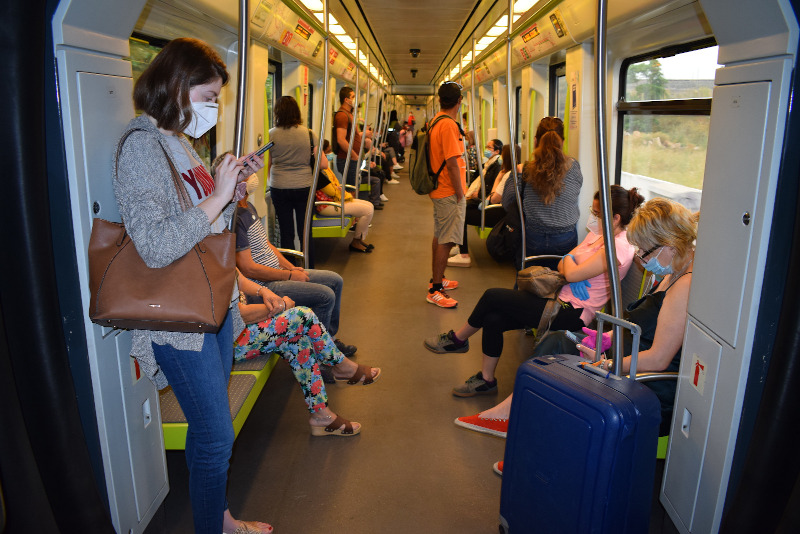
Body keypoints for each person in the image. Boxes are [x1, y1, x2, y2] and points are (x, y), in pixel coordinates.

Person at [113, 37, 271, 534]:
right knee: (215, 435)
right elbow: (155, 245)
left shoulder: (179, 143)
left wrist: (230, 189)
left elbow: (204, 222)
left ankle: (219, 517)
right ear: (177, 88)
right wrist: (218, 195)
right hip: (180, 319)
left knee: (213, 429)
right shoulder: (142, 147)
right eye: (208, 97)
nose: (213, 108)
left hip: (213, 304)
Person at [455, 197, 697, 442]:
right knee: (559, 341)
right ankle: (518, 421)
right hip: (626, 357)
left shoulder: (684, 286)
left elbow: (658, 359)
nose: (641, 260)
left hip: (645, 382)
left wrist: (606, 364)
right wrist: (608, 337)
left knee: (557, 348)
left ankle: (519, 423)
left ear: (670, 245)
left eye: (644, 252)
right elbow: (645, 326)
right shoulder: (673, 272)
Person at [425, 186, 645, 397]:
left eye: (597, 213)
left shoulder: (618, 248)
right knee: (493, 319)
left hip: (572, 312)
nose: (593, 217)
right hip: (558, 298)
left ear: (615, 218)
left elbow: (570, 274)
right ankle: (486, 380)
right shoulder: (597, 236)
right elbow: (564, 263)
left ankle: (459, 339)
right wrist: (570, 263)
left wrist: (571, 267)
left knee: (492, 296)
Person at [234, 272, 380, 436]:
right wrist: (281, 306)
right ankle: (341, 365)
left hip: (241, 330)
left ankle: (321, 415)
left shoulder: (216, 250)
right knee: (302, 315)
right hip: (228, 342)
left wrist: (263, 291)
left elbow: (237, 276)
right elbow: (238, 316)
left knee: (299, 340)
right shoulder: (204, 261)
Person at [232, 174, 359, 360]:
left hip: (279, 274)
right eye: (245, 174)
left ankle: (328, 340)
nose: (252, 177)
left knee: (335, 280)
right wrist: (288, 277)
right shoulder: (235, 218)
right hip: (264, 283)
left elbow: (268, 245)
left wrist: (292, 269)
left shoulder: (248, 206)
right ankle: (320, 356)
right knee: (325, 295)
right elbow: (248, 268)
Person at [503, 116, 583, 263]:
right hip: (565, 236)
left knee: (528, 279)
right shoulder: (574, 167)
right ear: (563, 142)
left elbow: (507, 202)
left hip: (533, 235)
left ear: (535, 140)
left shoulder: (525, 170)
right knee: (560, 281)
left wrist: (516, 175)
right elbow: (574, 194)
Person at [426, 81, 467, 308]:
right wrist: (461, 193)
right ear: (459, 101)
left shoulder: (435, 121)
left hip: (439, 188)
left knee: (440, 235)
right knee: (447, 239)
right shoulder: (449, 125)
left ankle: (438, 279)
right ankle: (435, 290)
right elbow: (452, 163)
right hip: (449, 190)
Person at [449, 140, 509, 268]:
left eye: (489, 147)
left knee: (461, 213)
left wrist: (497, 179)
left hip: (496, 211)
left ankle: (463, 254)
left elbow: (493, 198)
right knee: (461, 207)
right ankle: (459, 246)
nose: (486, 150)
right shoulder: (492, 167)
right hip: (494, 207)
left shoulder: (503, 174)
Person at [268, 95, 317, 250]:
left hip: (279, 186)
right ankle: (309, 265)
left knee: (285, 230)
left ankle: (290, 269)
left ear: (277, 113)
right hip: (304, 185)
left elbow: (267, 164)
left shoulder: (271, 134)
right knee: (305, 230)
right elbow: (322, 163)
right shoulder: (309, 134)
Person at [315, 140, 375, 252]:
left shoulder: (324, 171)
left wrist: (339, 190)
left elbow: (335, 187)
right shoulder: (319, 173)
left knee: (369, 205)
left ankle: (360, 239)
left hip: (333, 201)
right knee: (367, 210)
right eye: (324, 155)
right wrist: (340, 191)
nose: (326, 157)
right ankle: (356, 241)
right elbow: (332, 191)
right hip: (326, 206)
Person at [332, 86, 372, 188]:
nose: (355, 99)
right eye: (353, 97)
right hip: (347, 159)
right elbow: (341, 140)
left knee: (353, 188)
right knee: (351, 190)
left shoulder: (350, 114)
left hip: (351, 158)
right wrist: (354, 155)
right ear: (346, 100)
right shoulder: (342, 115)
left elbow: (352, 136)